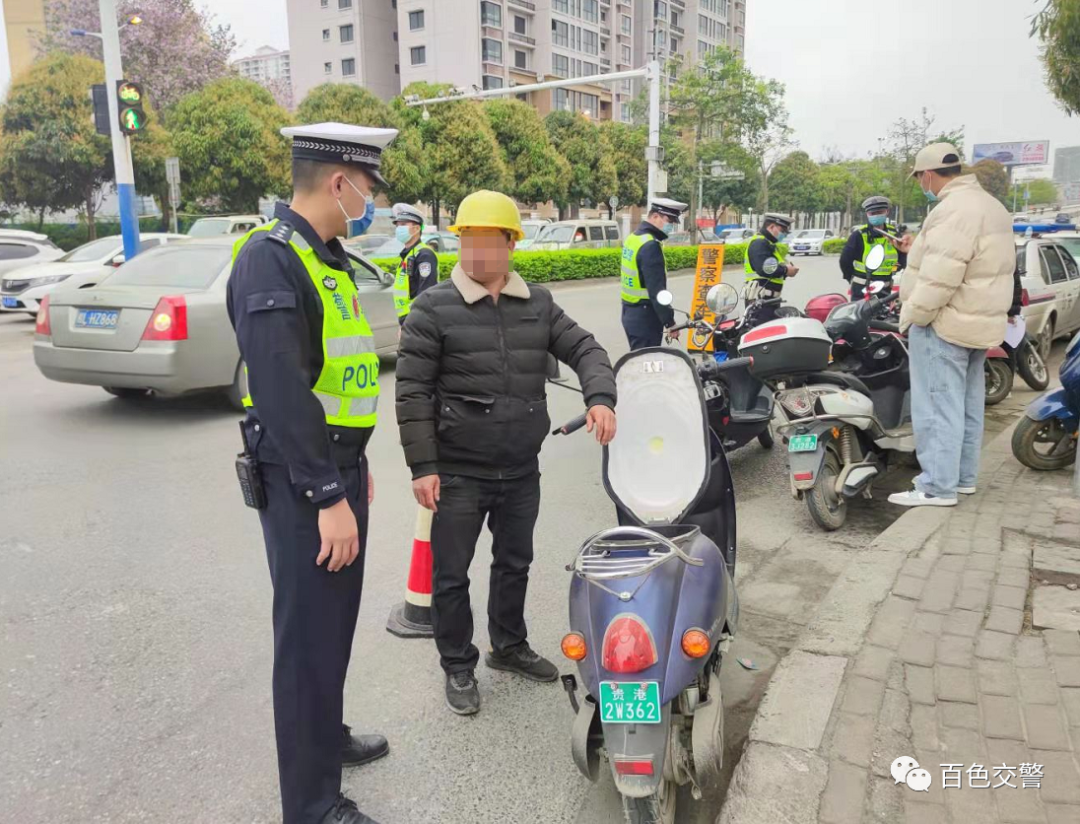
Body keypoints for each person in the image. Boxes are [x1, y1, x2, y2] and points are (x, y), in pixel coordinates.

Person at [227, 122, 396, 824]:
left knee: (335, 623)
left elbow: (340, 370)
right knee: (306, 638)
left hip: (336, 468)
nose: (372, 201)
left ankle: (325, 737)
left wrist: (354, 468)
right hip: (304, 482)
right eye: (369, 188)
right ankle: (312, 803)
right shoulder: (270, 259)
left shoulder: (324, 255)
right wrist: (328, 492)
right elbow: (281, 387)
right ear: (339, 182)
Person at [395, 190, 618, 716]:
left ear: (511, 244)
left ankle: (509, 645)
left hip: (520, 468)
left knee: (514, 561)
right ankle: (457, 663)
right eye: (466, 239)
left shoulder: (536, 303)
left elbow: (586, 348)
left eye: (486, 241)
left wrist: (600, 397)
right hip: (457, 472)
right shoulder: (433, 307)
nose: (474, 252)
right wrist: (423, 466)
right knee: (450, 574)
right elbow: (411, 393)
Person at [888, 142, 1014, 508]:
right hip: (978, 324)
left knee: (937, 407)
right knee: (966, 406)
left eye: (918, 178)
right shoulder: (991, 206)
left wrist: (913, 315)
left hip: (945, 323)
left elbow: (940, 277)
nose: (920, 185)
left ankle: (936, 486)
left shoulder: (953, 210)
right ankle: (961, 479)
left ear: (927, 174)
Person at [620, 198, 688, 350]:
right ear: (655, 216)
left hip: (629, 312)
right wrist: (670, 323)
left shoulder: (634, 238)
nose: (671, 225)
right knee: (646, 364)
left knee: (637, 359)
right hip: (646, 317)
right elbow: (657, 291)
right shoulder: (650, 245)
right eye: (669, 220)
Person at [840, 196, 913, 299]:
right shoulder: (859, 235)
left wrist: (894, 269)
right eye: (872, 213)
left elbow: (903, 258)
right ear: (867, 214)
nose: (876, 215)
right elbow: (845, 261)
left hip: (885, 289)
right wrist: (851, 279)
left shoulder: (894, 234)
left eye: (879, 212)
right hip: (862, 289)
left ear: (886, 212)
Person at [744, 213, 799, 324]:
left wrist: (785, 268)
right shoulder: (759, 243)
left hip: (768, 300)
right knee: (762, 336)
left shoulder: (768, 244)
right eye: (782, 230)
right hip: (760, 301)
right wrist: (786, 270)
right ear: (771, 227)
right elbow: (764, 268)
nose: (784, 234)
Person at [391, 202, 439, 325]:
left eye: (403, 225)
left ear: (416, 228)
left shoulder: (424, 255)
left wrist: (411, 322)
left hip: (418, 320)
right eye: (397, 225)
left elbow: (425, 293)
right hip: (407, 319)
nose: (398, 229)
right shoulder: (408, 255)